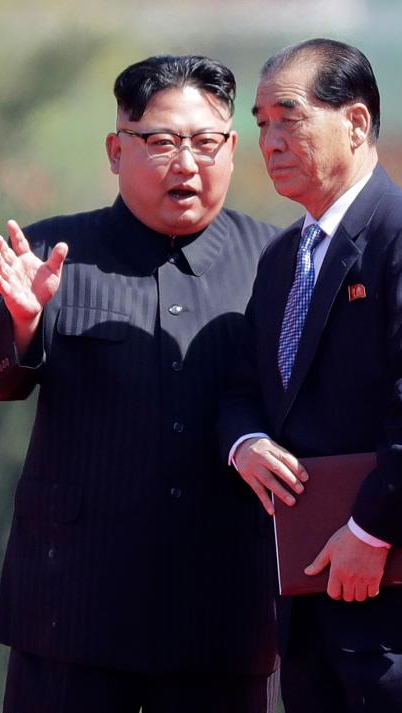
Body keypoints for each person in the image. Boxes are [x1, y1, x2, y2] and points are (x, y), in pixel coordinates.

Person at [0, 55, 279, 712]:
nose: (185, 163)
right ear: (114, 150)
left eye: (205, 142)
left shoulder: (274, 262)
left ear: (231, 149)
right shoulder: (52, 252)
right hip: (73, 608)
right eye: (160, 142)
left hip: (219, 609)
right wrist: (21, 323)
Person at [222, 38, 402, 712]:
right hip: (305, 608)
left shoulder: (393, 236)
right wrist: (245, 443)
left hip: (386, 595)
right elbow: (244, 387)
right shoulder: (280, 260)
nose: (268, 141)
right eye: (260, 123)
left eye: (288, 118)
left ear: (354, 123)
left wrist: (369, 532)